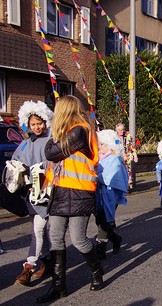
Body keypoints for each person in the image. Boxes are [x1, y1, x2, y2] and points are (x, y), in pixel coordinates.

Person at [36, 95, 103, 303]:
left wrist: (52, 136)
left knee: (78, 239)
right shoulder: (66, 132)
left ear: (65, 110)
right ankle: (58, 287)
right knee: (55, 237)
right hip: (60, 192)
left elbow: (51, 152)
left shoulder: (80, 130)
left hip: (79, 193)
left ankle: (96, 271)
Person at [13, 100, 54, 286]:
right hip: (31, 194)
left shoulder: (52, 140)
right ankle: (47, 263)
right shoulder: (24, 144)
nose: (37, 127)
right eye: (33, 125)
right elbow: (15, 164)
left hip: (49, 192)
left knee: (39, 230)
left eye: (39, 123)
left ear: (45, 122)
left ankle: (28, 267)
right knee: (40, 231)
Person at [94, 129, 128, 260]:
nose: (100, 146)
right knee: (100, 222)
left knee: (103, 222)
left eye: (103, 144)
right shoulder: (98, 157)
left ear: (110, 145)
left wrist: (95, 176)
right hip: (97, 196)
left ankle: (100, 251)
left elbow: (112, 178)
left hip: (109, 197)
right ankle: (115, 238)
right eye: (100, 144)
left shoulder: (114, 160)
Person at [116, 123, 138, 190]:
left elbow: (131, 146)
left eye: (122, 130)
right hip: (119, 156)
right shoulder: (115, 136)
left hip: (127, 156)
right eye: (120, 130)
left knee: (128, 171)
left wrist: (135, 155)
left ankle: (129, 186)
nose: (121, 131)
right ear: (117, 130)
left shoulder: (127, 135)